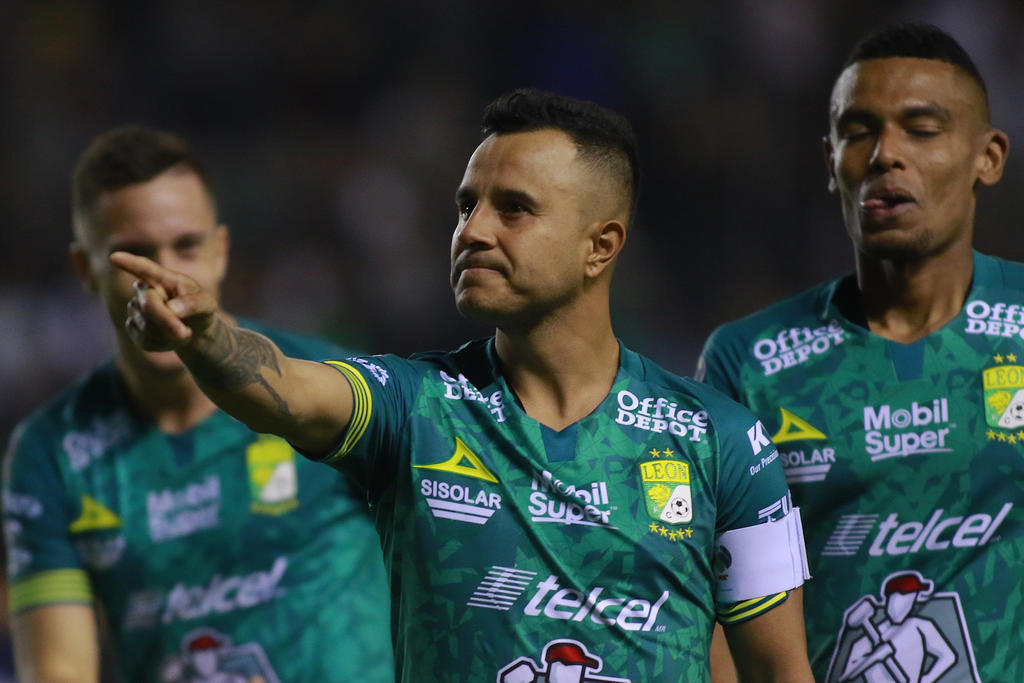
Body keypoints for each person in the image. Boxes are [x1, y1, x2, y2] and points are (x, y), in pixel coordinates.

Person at [110, 88, 814, 682]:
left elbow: (780, 673)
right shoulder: (415, 406)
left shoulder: (722, 441)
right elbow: (287, 388)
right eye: (464, 205)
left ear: (600, 246)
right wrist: (206, 337)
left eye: (514, 208)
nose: (472, 230)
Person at [2, 125, 394, 682]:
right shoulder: (51, 451)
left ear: (221, 251)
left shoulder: (334, 388)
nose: (163, 279)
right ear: (86, 270)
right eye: (135, 256)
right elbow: (58, 672)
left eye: (185, 246)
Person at [698, 23, 1017, 682]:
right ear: (830, 160)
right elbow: (708, 612)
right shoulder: (748, 362)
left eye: (921, 129)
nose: (885, 155)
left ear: (987, 157)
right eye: (858, 131)